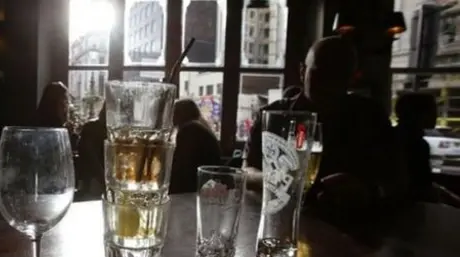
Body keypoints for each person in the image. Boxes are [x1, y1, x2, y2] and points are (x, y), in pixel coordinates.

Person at [245, 36, 406, 223]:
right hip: (281, 219)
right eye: (320, 74)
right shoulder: (271, 116)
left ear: (352, 78)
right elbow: (247, 172)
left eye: (339, 75)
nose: (329, 83)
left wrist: (367, 190)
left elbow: (398, 180)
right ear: (302, 72)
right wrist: (281, 183)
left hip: (354, 227)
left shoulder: (370, 117)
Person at [170, 99, 222, 194]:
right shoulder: (198, 126)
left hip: (195, 189)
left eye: (173, 113)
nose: (170, 117)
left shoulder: (188, 130)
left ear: (180, 114)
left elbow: (181, 169)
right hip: (206, 183)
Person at [394, 92, 437, 202]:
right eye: (432, 111)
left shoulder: (394, 135)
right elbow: (422, 186)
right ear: (419, 114)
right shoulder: (417, 144)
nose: (436, 116)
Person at [77, 105, 107, 198]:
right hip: (94, 181)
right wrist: (103, 179)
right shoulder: (92, 128)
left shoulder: (91, 127)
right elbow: (90, 157)